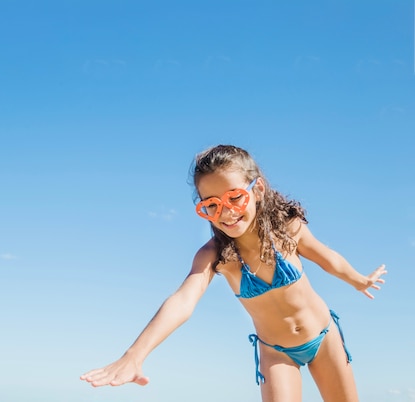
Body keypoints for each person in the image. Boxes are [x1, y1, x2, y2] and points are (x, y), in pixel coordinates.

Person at [80, 144, 387, 401]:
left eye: (234, 197)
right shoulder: (214, 256)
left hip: (323, 339)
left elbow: (327, 258)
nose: (225, 212)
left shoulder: (287, 230)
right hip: (276, 352)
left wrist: (359, 280)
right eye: (211, 205)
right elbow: (182, 301)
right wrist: (135, 353)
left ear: (258, 190)